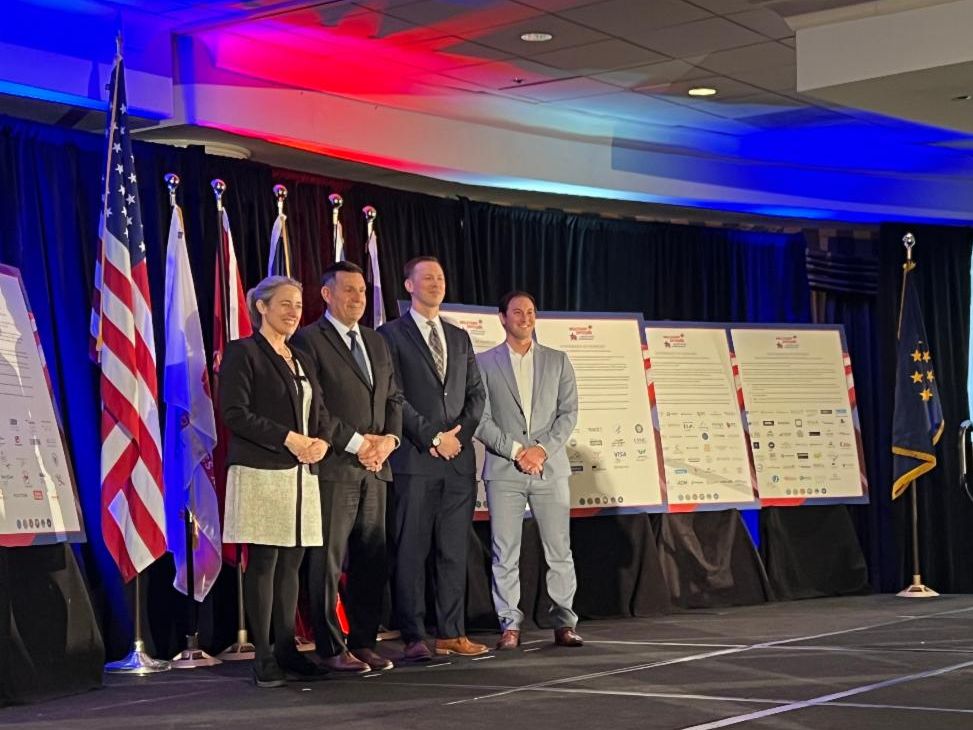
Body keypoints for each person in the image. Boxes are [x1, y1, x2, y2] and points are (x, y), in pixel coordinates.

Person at [218, 275, 332, 687]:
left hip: (302, 473)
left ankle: (287, 648)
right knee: (265, 562)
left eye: (298, 305)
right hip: (261, 470)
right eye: (284, 303)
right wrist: (290, 439)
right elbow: (235, 413)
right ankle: (263, 654)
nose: (293, 311)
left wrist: (320, 442)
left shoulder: (300, 357)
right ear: (261, 307)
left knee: (293, 563)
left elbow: (316, 412)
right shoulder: (243, 352)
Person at [291, 261, 403, 673]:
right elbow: (315, 409)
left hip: (377, 468)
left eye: (362, 291)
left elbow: (394, 398)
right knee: (328, 559)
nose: (358, 298)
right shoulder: (308, 341)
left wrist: (388, 442)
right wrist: (358, 444)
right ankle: (330, 646)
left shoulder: (376, 341)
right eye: (349, 290)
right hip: (337, 467)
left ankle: (364, 641)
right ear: (326, 294)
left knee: (371, 559)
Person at [378, 256, 487, 660]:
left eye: (440, 277)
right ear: (408, 285)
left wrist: (457, 436)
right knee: (411, 550)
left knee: (454, 550)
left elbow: (477, 395)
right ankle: (413, 636)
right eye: (427, 278)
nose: (436, 283)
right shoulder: (390, 334)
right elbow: (395, 396)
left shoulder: (459, 338)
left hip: (457, 463)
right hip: (415, 460)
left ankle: (452, 632)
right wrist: (432, 437)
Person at [474, 291, 583, 649]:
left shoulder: (557, 360)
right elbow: (480, 418)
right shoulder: (483, 363)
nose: (525, 317)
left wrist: (541, 450)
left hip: (550, 469)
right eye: (517, 312)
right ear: (502, 317)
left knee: (559, 550)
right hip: (505, 470)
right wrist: (518, 451)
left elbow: (568, 414)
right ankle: (510, 624)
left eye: (531, 311)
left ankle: (564, 622)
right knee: (505, 551)